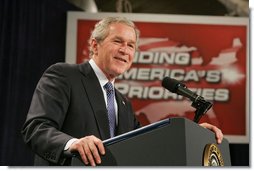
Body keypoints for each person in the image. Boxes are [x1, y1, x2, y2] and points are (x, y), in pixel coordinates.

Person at [21, 16, 223, 166]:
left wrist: (196, 133)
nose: (125, 50)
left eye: (131, 45)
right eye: (117, 41)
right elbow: (36, 128)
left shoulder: (123, 103)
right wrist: (72, 143)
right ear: (95, 45)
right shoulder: (65, 75)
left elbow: (149, 142)